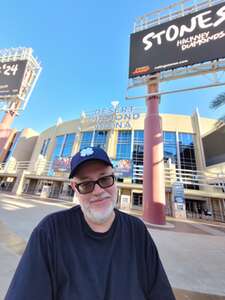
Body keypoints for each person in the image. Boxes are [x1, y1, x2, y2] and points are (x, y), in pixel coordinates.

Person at [5, 146, 175, 300]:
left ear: (115, 179)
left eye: (105, 180)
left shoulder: (137, 231)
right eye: (86, 185)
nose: (98, 191)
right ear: (74, 188)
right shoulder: (50, 232)